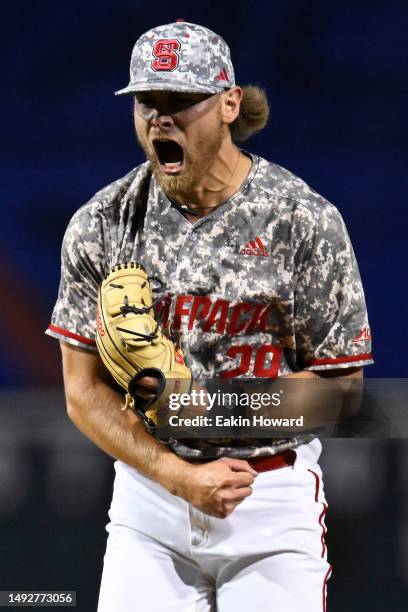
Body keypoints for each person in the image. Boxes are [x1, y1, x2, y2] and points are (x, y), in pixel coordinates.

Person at [46, 20, 373, 611]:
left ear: (229, 104)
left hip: (268, 500)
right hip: (150, 505)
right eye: (147, 101)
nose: (160, 118)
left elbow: (344, 390)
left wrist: (206, 404)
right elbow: (80, 392)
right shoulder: (102, 224)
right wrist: (176, 475)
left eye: (181, 101)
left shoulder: (302, 221)